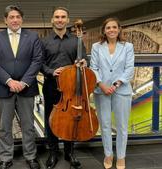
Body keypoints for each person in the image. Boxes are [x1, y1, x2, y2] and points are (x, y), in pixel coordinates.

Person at [0, 5, 43, 169]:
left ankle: (31, 156)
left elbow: (37, 60)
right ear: (5, 20)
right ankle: (5, 158)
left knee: (28, 125)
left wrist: (24, 81)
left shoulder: (32, 36)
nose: (15, 20)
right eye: (11, 17)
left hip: (27, 88)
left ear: (22, 19)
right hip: (5, 88)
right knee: (4, 127)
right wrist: (9, 81)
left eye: (18, 16)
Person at [41, 7, 89, 169]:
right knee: (50, 119)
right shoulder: (44, 41)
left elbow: (85, 60)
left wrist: (83, 63)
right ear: (52, 20)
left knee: (71, 118)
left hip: (71, 88)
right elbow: (39, 64)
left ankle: (69, 152)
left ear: (68, 20)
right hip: (51, 85)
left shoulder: (77, 41)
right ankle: (53, 152)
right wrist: (51, 71)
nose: (60, 19)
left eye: (63, 17)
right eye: (57, 17)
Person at [90, 17, 134, 169]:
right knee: (106, 125)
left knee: (122, 126)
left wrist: (115, 84)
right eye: (108, 28)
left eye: (114, 27)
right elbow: (93, 67)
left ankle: (121, 156)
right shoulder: (96, 47)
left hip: (121, 90)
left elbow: (129, 69)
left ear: (119, 29)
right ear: (104, 30)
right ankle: (108, 154)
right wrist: (101, 85)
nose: (111, 30)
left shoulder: (127, 46)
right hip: (101, 91)